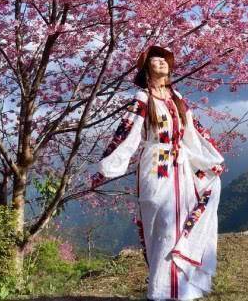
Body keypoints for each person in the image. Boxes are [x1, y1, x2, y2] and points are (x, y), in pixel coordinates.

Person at [90, 45, 225, 301]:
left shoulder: (177, 98)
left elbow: (193, 133)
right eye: (155, 59)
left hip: (181, 166)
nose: (161, 61)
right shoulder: (143, 98)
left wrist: (210, 160)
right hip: (156, 165)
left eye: (164, 59)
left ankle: (181, 290)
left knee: (178, 222)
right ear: (145, 69)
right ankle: (161, 291)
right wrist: (107, 166)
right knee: (161, 225)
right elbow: (126, 133)